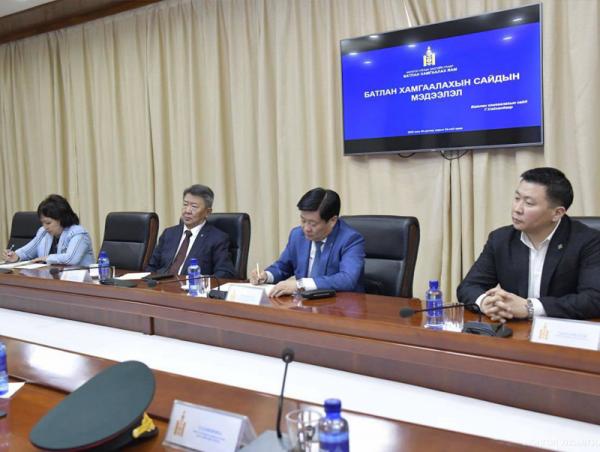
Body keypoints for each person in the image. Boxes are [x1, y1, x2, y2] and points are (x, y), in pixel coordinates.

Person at [457, 167, 600, 321]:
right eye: (517, 198)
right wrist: (486, 302)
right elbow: (468, 286)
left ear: (557, 213)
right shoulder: (501, 239)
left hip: (562, 331)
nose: (517, 209)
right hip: (514, 329)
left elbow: (593, 299)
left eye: (529, 203)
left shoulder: (588, 241)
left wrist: (529, 307)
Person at [250, 188, 365, 297]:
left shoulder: (350, 239)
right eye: (303, 220)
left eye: (313, 223)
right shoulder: (297, 235)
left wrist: (300, 285)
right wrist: (266, 276)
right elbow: (283, 267)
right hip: (305, 304)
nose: (306, 228)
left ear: (332, 221)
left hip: (339, 306)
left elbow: (347, 279)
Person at [146, 184, 235, 278]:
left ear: (208, 212)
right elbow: (151, 266)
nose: (187, 211)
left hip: (192, 285)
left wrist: (201, 282)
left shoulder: (217, 238)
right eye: (185, 204)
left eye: (194, 206)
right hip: (161, 284)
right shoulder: (169, 233)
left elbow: (225, 272)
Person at [2, 194, 94, 266]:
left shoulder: (78, 234)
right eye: (42, 223)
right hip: (51, 279)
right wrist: (16, 256)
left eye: (48, 223)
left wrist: (46, 258)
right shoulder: (44, 232)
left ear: (62, 219)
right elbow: (27, 252)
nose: (45, 227)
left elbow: (71, 259)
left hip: (79, 280)